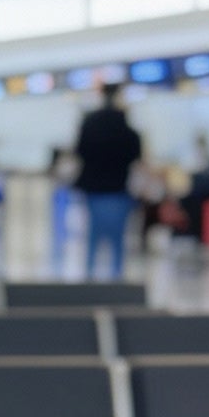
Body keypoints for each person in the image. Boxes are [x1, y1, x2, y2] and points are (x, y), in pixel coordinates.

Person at [74, 83, 142, 278]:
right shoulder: (128, 131)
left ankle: (89, 276)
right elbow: (135, 159)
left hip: (94, 189)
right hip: (118, 189)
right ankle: (117, 277)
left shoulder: (89, 125)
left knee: (94, 235)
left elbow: (80, 153)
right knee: (117, 238)